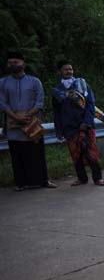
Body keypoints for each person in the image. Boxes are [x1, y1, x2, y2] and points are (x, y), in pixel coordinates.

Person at [0, 51, 56, 190]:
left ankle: (43, 181)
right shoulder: (3, 82)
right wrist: (16, 117)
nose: (13, 65)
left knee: (37, 153)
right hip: (13, 124)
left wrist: (27, 115)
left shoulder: (34, 81)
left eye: (16, 62)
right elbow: (2, 103)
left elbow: (39, 102)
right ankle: (21, 183)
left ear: (23, 64)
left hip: (32, 123)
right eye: (11, 62)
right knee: (17, 155)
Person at [52, 60, 104, 186]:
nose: (69, 71)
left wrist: (87, 122)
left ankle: (98, 178)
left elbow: (90, 104)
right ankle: (82, 178)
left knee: (91, 152)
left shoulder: (82, 84)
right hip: (69, 127)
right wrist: (59, 131)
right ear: (59, 72)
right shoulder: (57, 91)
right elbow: (57, 112)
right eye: (65, 69)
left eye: (70, 69)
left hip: (85, 125)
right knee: (75, 154)